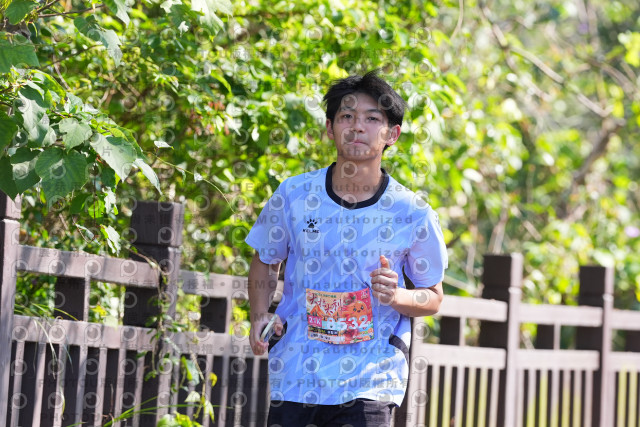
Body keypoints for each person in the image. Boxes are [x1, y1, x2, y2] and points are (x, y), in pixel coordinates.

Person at [245, 70, 448, 426]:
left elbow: (432, 297)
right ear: (330, 128)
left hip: (371, 378)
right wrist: (259, 314)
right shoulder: (294, 194)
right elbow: (265, 258)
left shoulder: (412, 212)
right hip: (298, 372)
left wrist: (397, 296)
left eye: (372, 119)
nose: (357, 127)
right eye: (347, 116)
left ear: (392, 134)